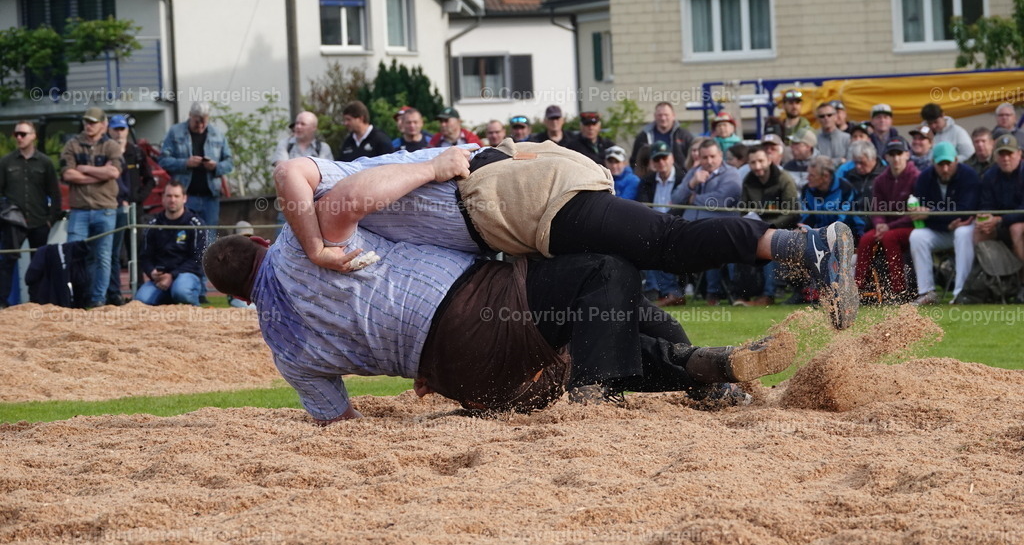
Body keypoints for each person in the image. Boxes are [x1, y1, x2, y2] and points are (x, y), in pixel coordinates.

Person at [204, 224, 798, 421]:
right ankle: (603, 398)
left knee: (598, 334)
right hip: (471, 305)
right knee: (606, 272)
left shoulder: (283, 347)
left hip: (465, 380)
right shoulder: (297, 241)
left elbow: (338, 420)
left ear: (240, 299)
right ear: (260, 240)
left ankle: (711, 368)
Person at [275, 142, 859, 329]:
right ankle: (700, 369)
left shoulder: (343, 183)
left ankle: (804, 247)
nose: (327, 219)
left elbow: (299, 179)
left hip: (529, 201)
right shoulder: (372, 202)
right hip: (527, 210)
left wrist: (316, 247)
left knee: (669, 246)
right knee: (612, 283)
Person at [60, 107, 123, 308]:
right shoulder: (72, 144)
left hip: (105, 208)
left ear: (103, 125)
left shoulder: (111, 145)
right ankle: (77, 298)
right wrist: (99, 174)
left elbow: (114, 172)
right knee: (73, 254)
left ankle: (98, 300)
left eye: (93, 122)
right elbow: (67, 174)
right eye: (87, 121)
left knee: (103, 256)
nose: (89, 125)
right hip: (79, 209)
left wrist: (85, 170)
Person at [908, 142, 980, 305]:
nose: (945, 168)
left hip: (964, 228)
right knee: (917, 236)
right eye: (941, 164)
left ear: (956, 160)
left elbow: (965, 210)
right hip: (941, 229)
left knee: (962, 233)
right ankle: (926, 292)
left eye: (948, 163)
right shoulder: (925, 178)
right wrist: (944, 222)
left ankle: (961, 292)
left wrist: (931, 213)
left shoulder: (969, 176)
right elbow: (920, 214)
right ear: (933, 162)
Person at [672, 138, 743, 305]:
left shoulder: (731, 173)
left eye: (712, 156)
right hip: (689, 227)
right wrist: (692, 183)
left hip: (720, 227)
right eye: (705, 157)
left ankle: (713, 294)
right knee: (663, 242)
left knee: (711, 243)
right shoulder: (694, 172)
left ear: (720, 155)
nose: (709, 161)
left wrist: (693, 198)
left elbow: (722, 199)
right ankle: (671, 294)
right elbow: (675, 198)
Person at [0, 120, 61, 307]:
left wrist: (50, 219)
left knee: (38, 263)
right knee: (7, 262)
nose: (19, 137)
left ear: (33, 136)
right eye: (16, 134)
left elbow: (54, 193)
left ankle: (37, 302)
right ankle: (2, 303)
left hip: (39, 221)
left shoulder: (45, 162)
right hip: (13, 222)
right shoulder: (6, 162)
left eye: (23, 134)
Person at [854, 138, 919, 299]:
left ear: (907, 155)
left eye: (899, 153)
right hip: (886, 227)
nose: (896, 158)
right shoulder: (881, 180)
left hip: (911, 226)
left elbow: (914, 213)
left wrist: (888, 227)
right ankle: (856, 288)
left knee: (890, 238)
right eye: (892, 154)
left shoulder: (916, 177)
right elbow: (876, 208)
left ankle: (899, 290)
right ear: (887, 157)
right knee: (866, 240)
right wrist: (880, 224)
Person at [736, 144, 800, 306]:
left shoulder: (784, 179)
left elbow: (791, 212)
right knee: (735, 244)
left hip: (783, 228)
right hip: (756, 228)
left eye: (760, 161)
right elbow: (743, 209)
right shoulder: (748, 180)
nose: (757, 167)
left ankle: (768, 294)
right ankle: (742, 293)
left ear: (769, 160)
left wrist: (767, 227)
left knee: (768, 244)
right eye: (752, 163)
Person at [158, 101, 234, 237]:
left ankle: (205, 260)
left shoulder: (217, 134)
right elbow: (163, 160)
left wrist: (215, 166)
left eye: (204, 122)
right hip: (186, 196)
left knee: (208, 239)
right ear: (190, 116)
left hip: (210, 197)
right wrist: (185, 163)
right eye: (197, 121)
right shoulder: (175, 132)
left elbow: (229, 163)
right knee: (183, 238)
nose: (200, 125)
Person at [105, 113, 155, 305]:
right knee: (114, 252)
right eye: (115, 129)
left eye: (122, 128)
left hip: (135, 209)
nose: (119, 133)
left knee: (137, 250)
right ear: (109, 130)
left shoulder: (137, 151)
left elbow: (150, 179)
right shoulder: (105, 151)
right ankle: (114, 293)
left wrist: (138, 198)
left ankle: (139, 292)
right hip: (112, 207)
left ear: (127, 130)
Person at [135, 181, 206, 306]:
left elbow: (198, 259)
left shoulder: (195, 224)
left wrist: (172, 275)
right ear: (162, 198)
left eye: (176, 196)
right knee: (141, 300)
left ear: (184, 198)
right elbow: (145, 256)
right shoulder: (153, 225)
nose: (172, 200)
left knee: (181, 291)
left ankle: (195, 311)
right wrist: (152, 272)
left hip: (186, 275)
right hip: (159, 279)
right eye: (168, 196)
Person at [635, 141, 685, 307]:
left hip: (678, 227)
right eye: (657, 159)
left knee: (660, 242)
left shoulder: (682, 178)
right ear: (652, 163)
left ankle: (670, 291)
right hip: (652, 225)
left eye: (664, 158)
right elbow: (642, 205)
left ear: (672, 158)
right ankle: (654, 290)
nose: (661, 162)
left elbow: (684, 208)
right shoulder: (647, 181)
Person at [974, 135, 1024, 264]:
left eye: (1010, 154)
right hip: (1000, 223)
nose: (1006, 158)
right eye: (1001, 154)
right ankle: (994, 278)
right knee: (979, 232)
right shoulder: (990, 175)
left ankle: (1022, 280)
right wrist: (985, 217)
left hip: (1017, 222)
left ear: (1019, 154)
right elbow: (986, 203)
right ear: (995, 157)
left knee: (1016, 228)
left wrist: (1000, 219)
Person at [629, 101, 694, 173]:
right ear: (655, 116)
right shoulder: (643, 137)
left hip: (679, 178)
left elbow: (693, 158)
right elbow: (634, 161)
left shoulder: (684, 136)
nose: (663, 118)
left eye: (666, 115)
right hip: (650, 179)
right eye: (660, 115)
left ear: (673, 116)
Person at [844, 140, 885, 217]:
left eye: (862, 162)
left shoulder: (884, 176)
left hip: (875, 220)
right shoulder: (850, 175)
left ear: (873, 158)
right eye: (855, 162)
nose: (858, 166)